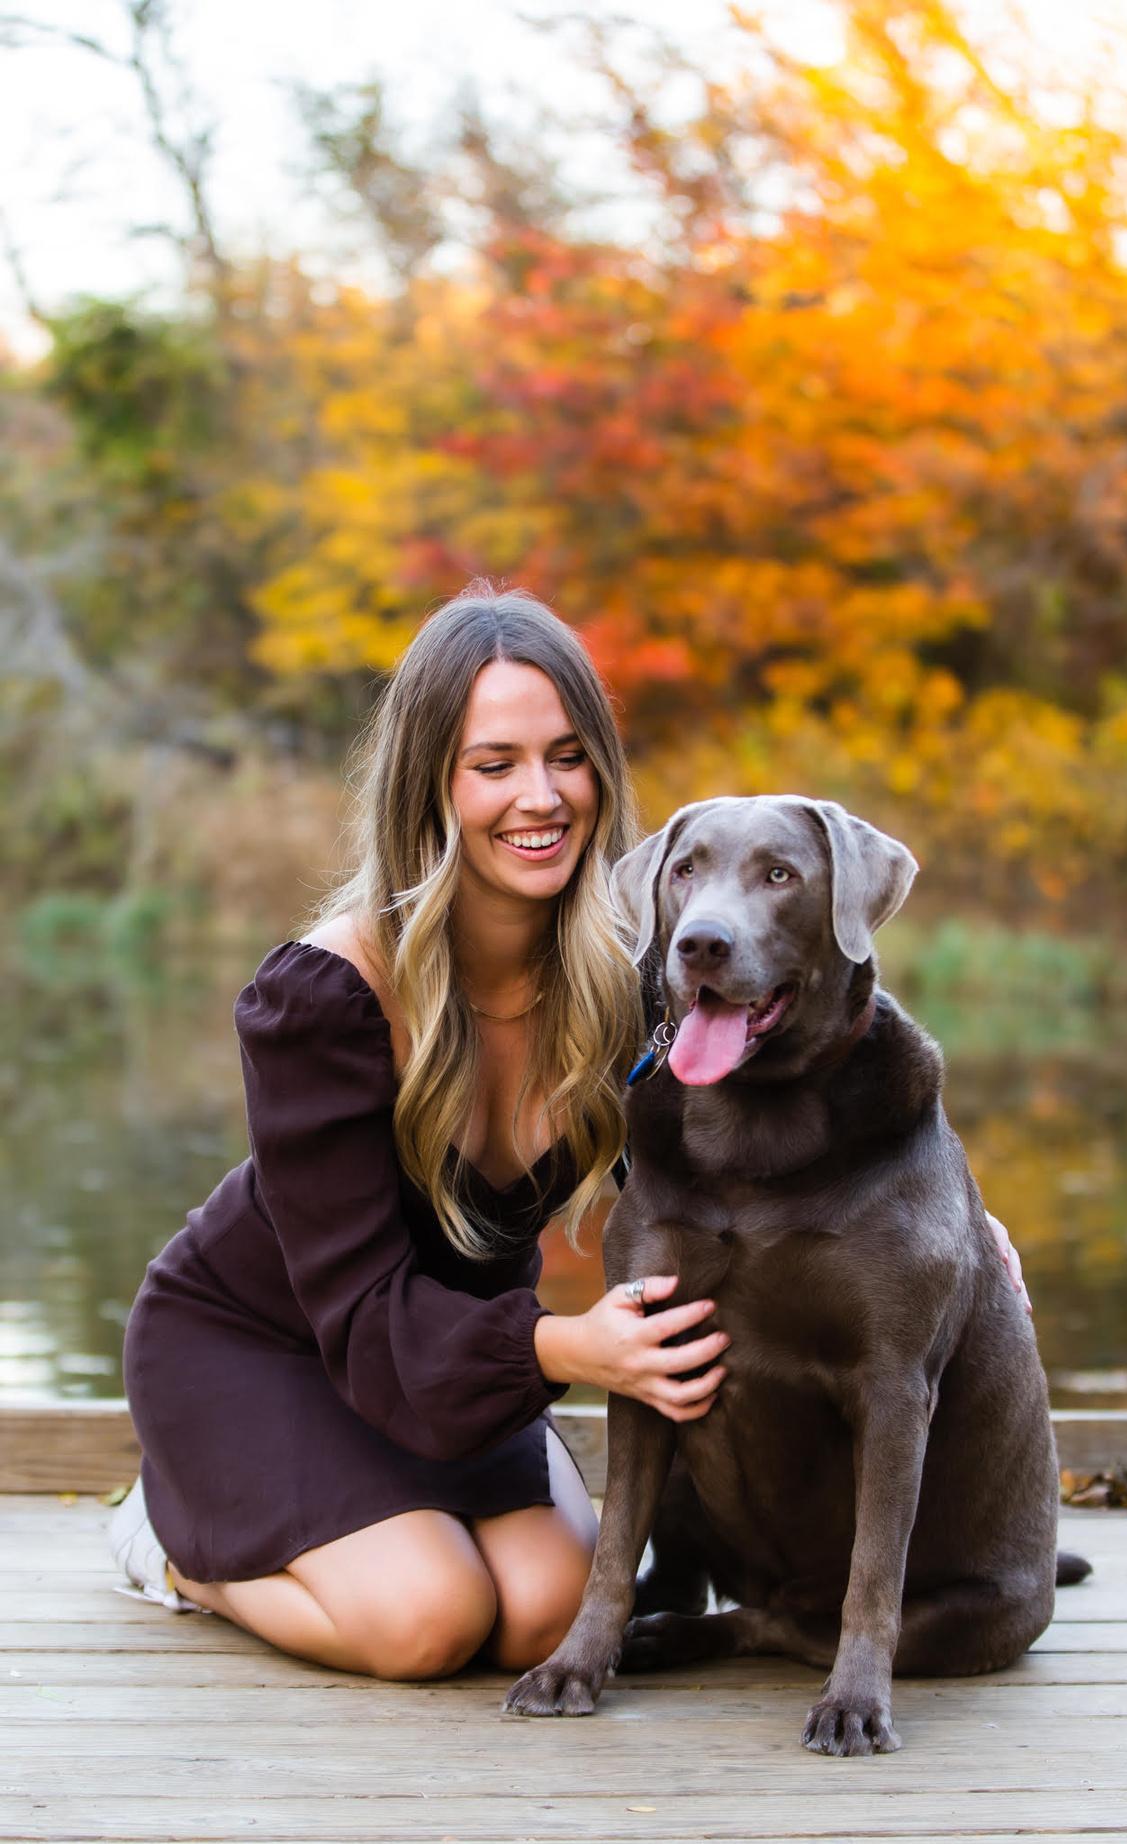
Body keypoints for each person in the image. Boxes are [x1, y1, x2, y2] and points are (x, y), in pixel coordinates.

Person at [109, 581, 731, 1681]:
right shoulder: (325, 995)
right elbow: (358, 1309)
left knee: (548, 1614)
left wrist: (960, 1223)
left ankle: (373, 1521)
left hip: (450, 1356)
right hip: (271, 1343)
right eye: (494, 763)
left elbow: (786, 1093)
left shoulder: (635, 971)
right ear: (429, 785)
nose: (540, 795)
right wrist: (565, 1347)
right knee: (429, 1620)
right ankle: (175, 1546)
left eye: (568, 756)